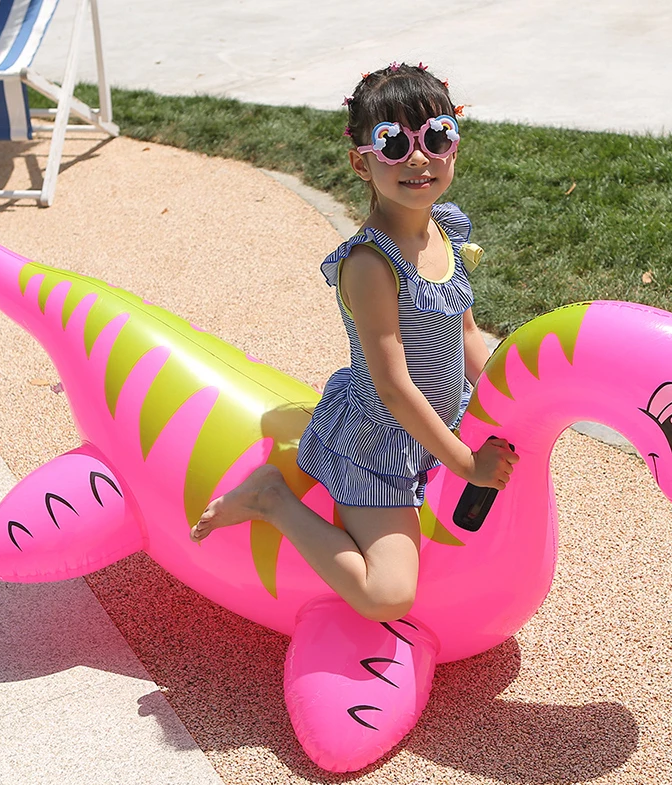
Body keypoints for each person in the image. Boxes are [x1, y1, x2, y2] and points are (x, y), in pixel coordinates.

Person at [190, 62, 518, 622]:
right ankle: (272, 500)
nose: (418, 158)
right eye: (393, 143)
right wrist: (464, 463)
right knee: (387, 596)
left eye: (434, 136)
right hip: (381, 442)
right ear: (361, 161)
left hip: (441, 417)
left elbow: (465, 335)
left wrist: (508, 403)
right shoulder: (370, 264)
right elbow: (392, 385)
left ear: (455, 147)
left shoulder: (447, 228)